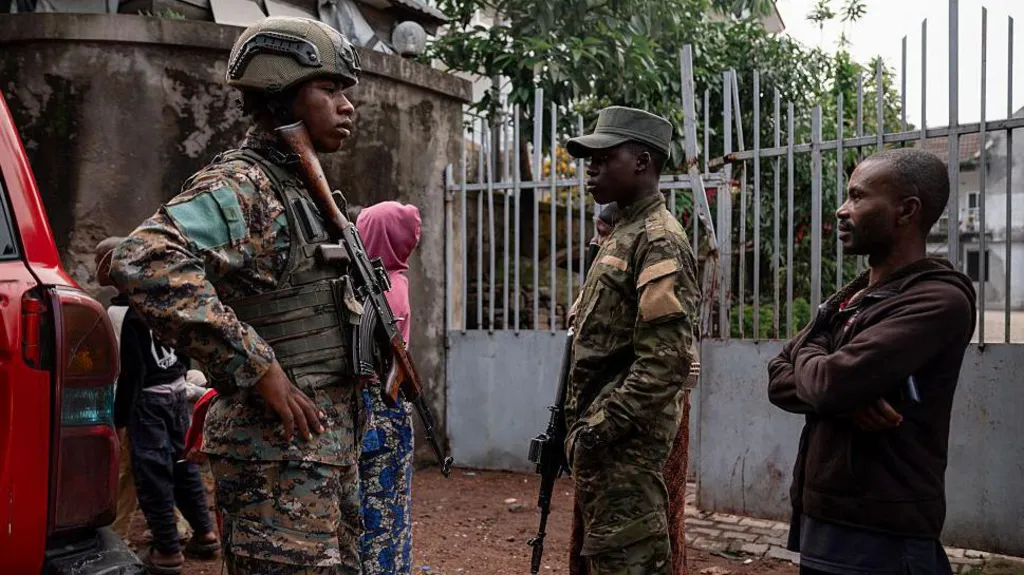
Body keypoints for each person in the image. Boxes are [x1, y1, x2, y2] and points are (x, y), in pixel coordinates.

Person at [110, 16, 369, 574]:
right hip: (274, 460)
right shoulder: (245, 185)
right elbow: (145, 258)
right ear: (281, 93)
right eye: (329, 88)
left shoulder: (309, 190)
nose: (348, 105)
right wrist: (256, 365)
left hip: (325, 453)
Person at [767, 148, 977, 575]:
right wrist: (844, 395)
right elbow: (777, 376)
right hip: (825, 519)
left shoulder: (938, 299)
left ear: (906, 211)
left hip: (884, 534)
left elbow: (824, 382)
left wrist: (821, 350)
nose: (843, 211)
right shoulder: (852, 296)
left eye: (859, 197)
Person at [561, 106, 701, 574]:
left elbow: (667, 361)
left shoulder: (659, 240)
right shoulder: (622, 233)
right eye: (588, 157)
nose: (591, 166)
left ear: (642, 162)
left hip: (628, 451)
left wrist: (599, 427)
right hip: (605, 450)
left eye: (603, 155)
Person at [96, 237, 220, 574]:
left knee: (153, 476)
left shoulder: (121, 313)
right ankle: (206, 533)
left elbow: (130, 373)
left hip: (146, 403)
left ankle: (167, 551)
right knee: (182, 466)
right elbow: (182, 350)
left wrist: (119, 419)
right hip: (176, 396)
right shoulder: (162, 305)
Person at [354, 201, 422, 575]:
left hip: (381, 404)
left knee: (379, 503)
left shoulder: (387, 288)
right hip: (385, 408)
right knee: (386, 500)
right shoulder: (392, 279)